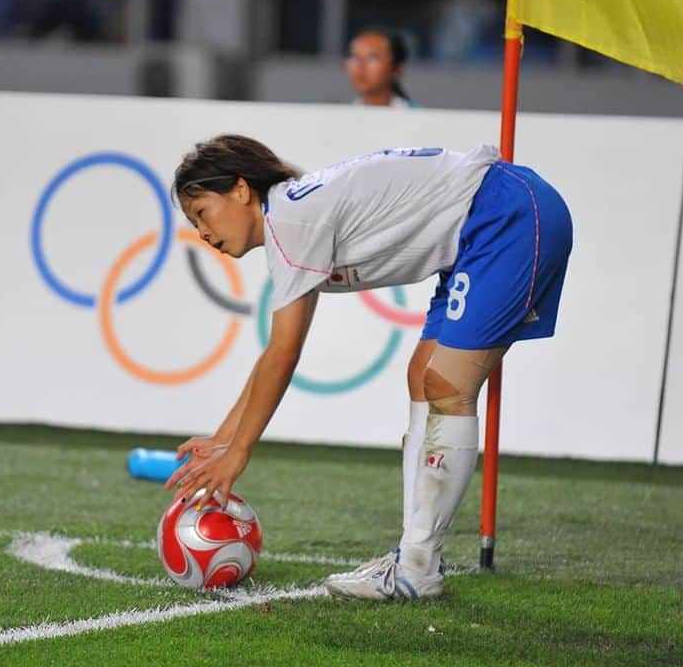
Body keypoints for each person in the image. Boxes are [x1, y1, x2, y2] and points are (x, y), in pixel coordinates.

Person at [165, 134, 572, 601]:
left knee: (446, 385)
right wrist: (223, 439)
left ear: (240, 190)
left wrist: (237, 453)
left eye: (201, 213)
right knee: (424, 376)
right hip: (483, 227)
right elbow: (273, 355)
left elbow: (284, 353)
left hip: (505, 216)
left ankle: (417, 566)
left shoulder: (290, 220)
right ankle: (415, 558)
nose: (202, 232)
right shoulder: (290, 216)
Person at [345, 29, 416, 108]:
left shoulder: (417, 118)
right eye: (355, 57)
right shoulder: (341, 116)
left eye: (372, 58)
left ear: (397, 68)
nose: (360, 66)